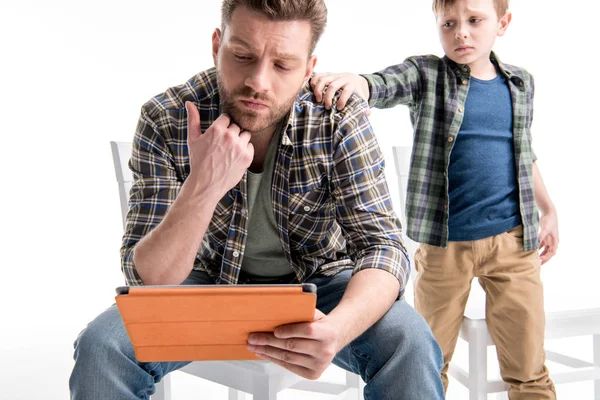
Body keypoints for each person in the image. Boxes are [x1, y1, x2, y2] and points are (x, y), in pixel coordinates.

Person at [68, 0, 445, 399]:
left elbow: (381, 247)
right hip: (203, 282)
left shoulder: (337, 117)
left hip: (320, 283)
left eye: (282, 65)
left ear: (308, 68)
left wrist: (335, 331)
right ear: (217, 45)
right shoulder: (166, 117)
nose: (258, 82)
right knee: (102, 347)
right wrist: (204, 185)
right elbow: (148, 283)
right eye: (243, 56)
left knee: (411, 341)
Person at [310, 0, 558, 399]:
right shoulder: (429, 74)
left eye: (475, 21)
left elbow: (524, 155)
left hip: (513, 244)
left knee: (528, 367)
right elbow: (385, 83)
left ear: (503, 23)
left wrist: (548, 209)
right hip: (445, 249)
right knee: (426, 358)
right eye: (449, 23)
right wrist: (360, 82)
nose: (461, 32)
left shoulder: (520, 83)